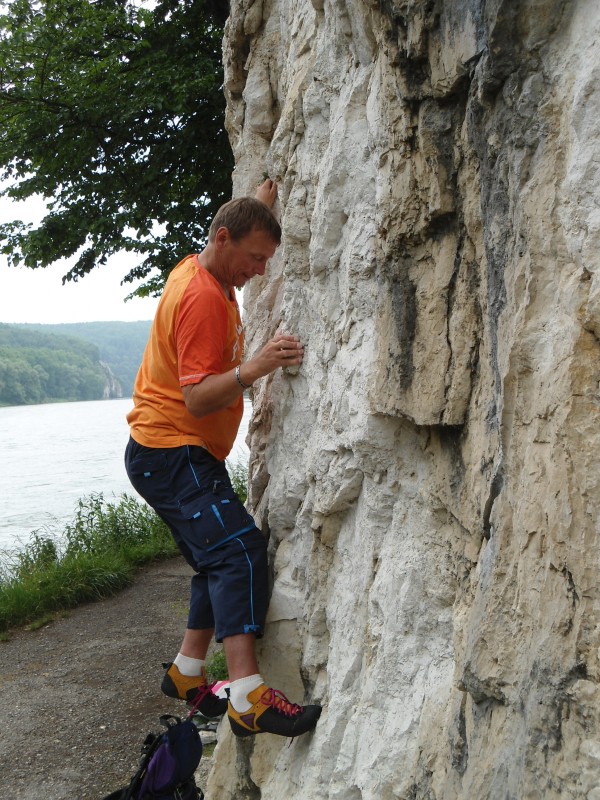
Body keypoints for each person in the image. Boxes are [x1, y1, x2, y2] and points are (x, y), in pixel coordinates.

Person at [124, 179, 322, 739]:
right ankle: (248, 696)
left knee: (215, 558)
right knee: (238, 552)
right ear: (223, 238)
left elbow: (247, 220)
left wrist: (266, 194)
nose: (260, 270)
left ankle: (188, 674)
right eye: (256, 258)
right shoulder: (203, 298)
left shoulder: (202, 266)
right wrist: (257, 365)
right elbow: (197, 396)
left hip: (170, 453)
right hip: (173, 452)